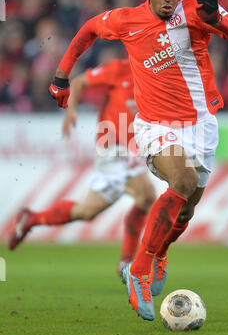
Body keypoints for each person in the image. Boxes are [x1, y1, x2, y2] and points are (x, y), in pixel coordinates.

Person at [48, 0, 228, 321]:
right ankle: (139, 270)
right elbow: (89, 30)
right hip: (155, 126)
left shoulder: (197, 10)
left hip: (202, 125)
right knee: (183, 179)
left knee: (188, 206)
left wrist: (217, 19)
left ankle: (159, 255)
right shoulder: (127, 20)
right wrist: (62, 75)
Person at [8, 57, 156, 276]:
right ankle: (128, 261)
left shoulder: (157, 77)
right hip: (112, 147)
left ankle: (31, 218)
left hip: (129, 149)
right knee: (146, 195)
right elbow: (78, 82)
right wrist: (71, 111)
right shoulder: (120, 69)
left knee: (87, 211)